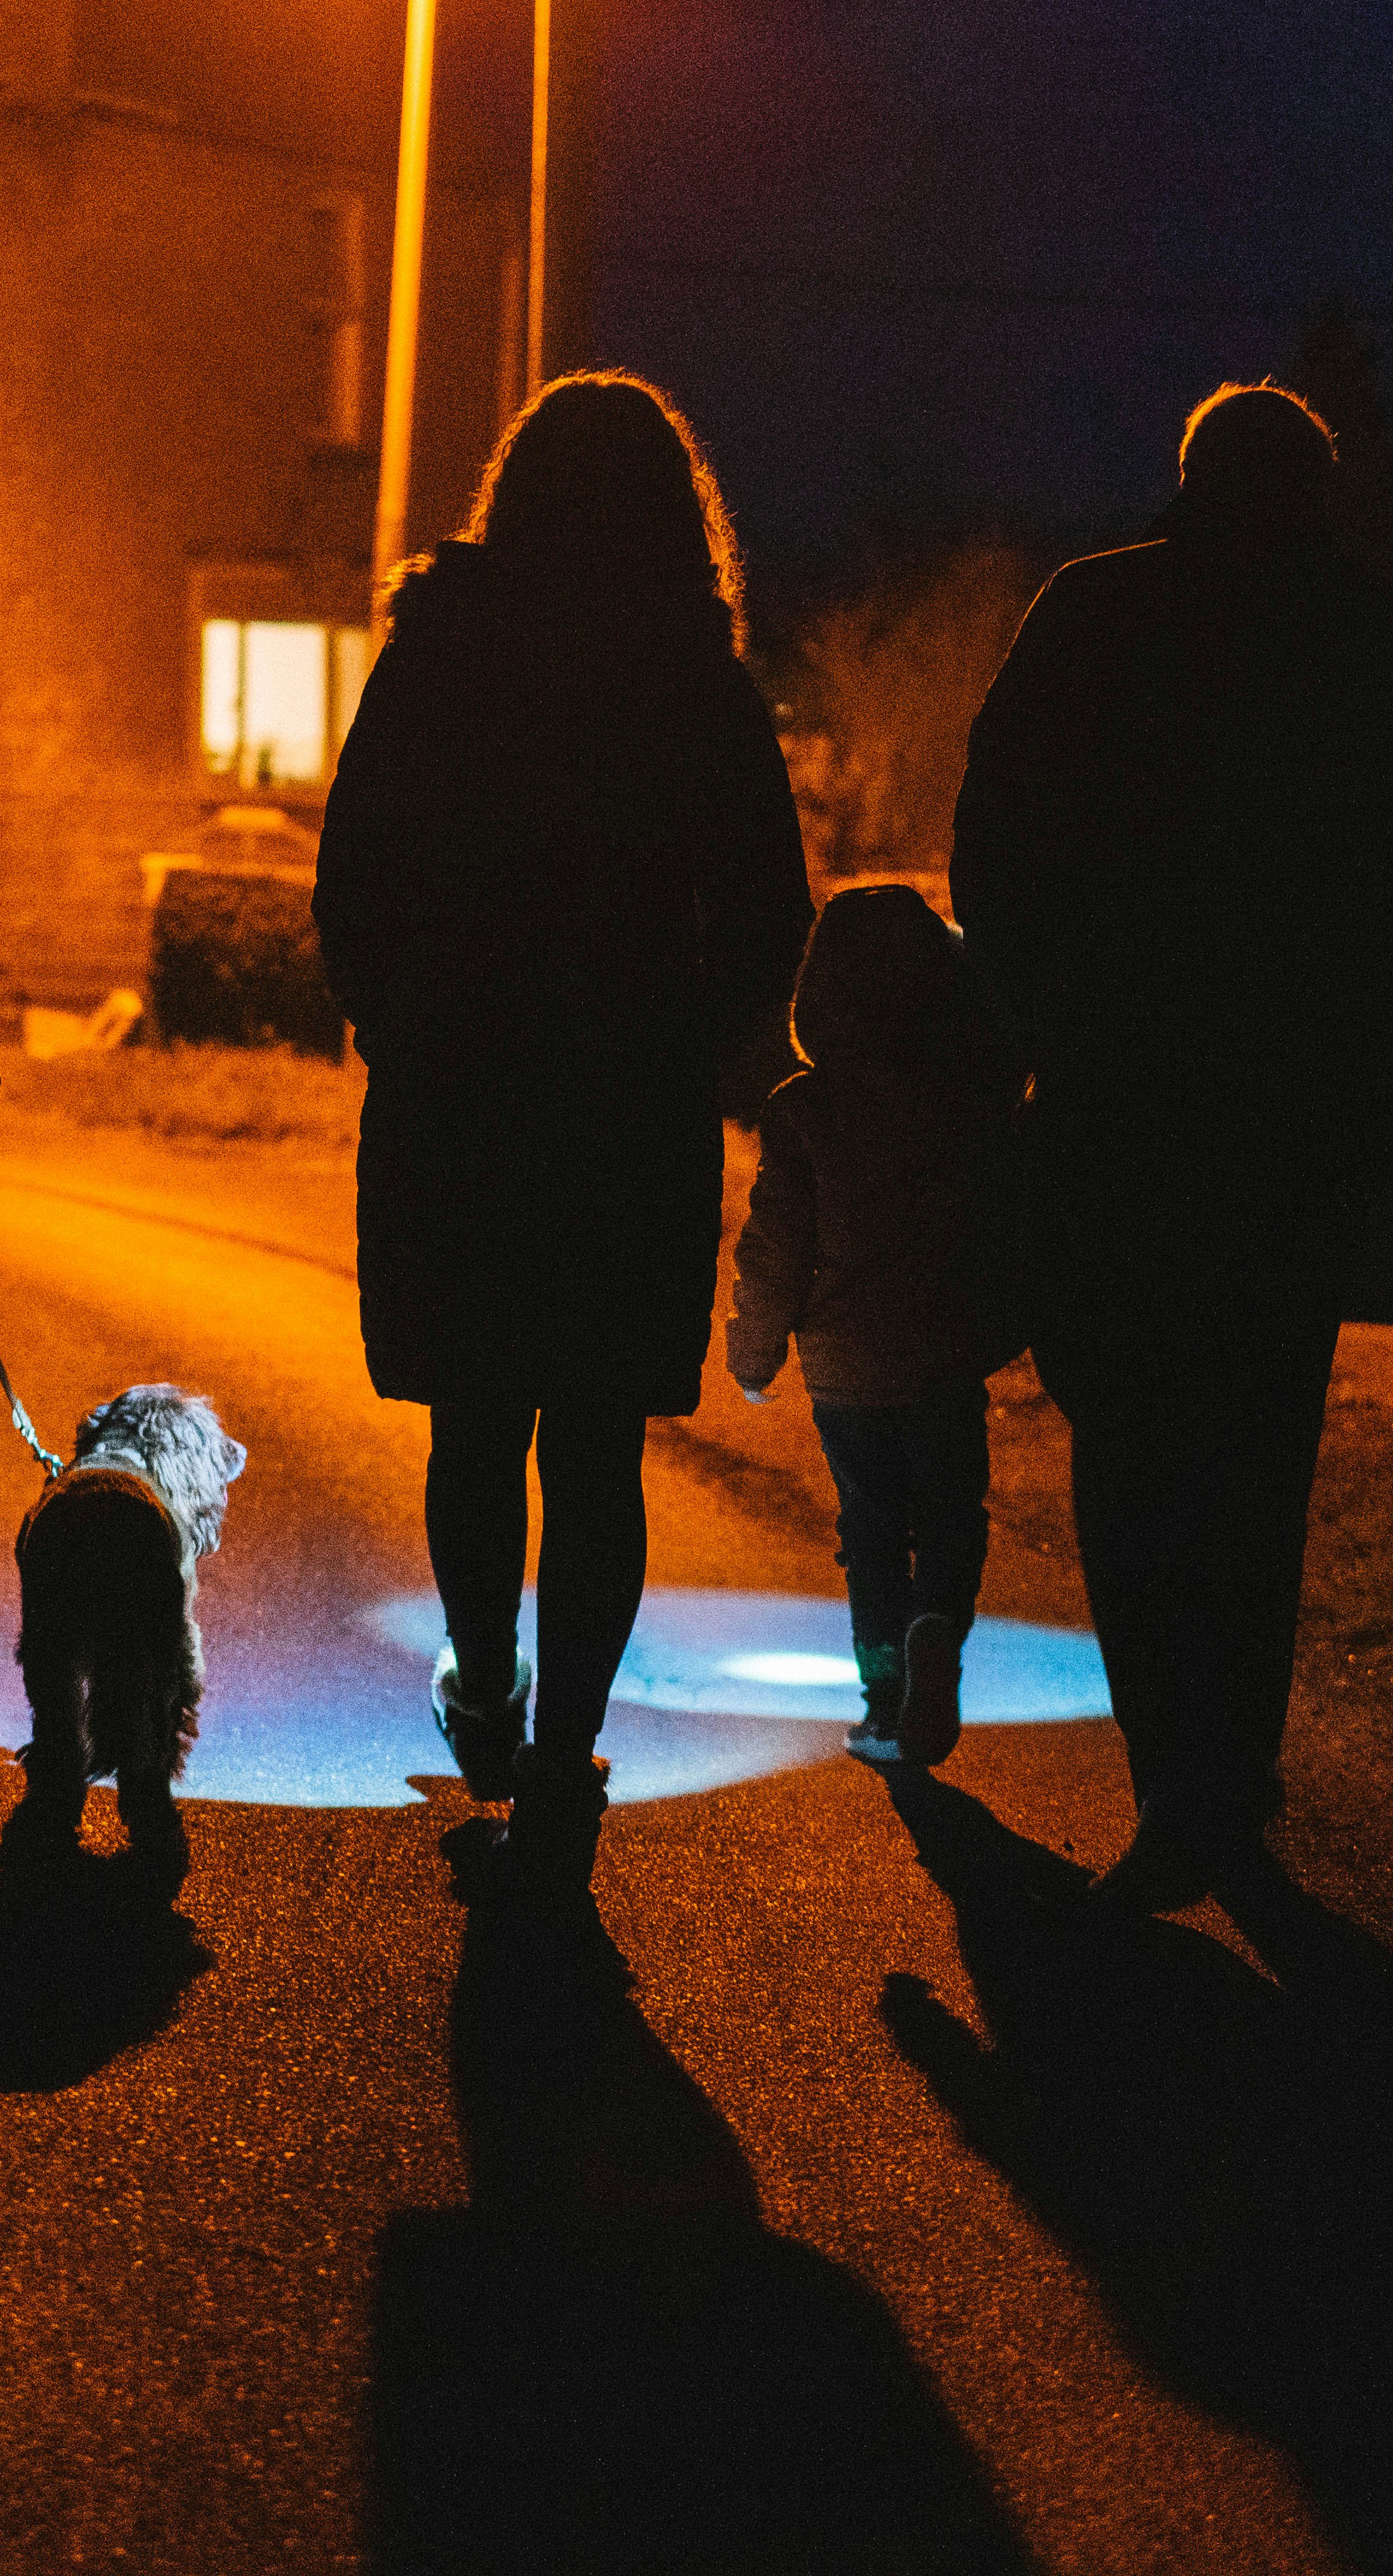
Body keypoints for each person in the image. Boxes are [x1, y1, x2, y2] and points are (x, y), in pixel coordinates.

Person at [951, 381, 1393, 1907]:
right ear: (1316, 491)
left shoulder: (1093, 614)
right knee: (1260, 1446)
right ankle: (1231, 1768)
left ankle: (1174, 1775)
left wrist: (1041, 1019)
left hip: (1118, 1102)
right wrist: (1387, 1044)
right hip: (1303, 1119)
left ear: (1187, 478)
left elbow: (991, 838)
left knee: (1129, 1440)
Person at [312, 373, 815, 1893]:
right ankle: (565, 1753)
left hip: (459, 1088)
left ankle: (482, 1685)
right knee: (597, 1446)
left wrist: (395, 1017)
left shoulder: (436, 652)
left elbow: (353, 864)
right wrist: (703, 1047)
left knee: (475, 1419)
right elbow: (771, 910)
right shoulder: (695, 676)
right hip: (625, 1104)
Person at [723, 882, 1028, 1770]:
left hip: (846, 1369)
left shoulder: (803, 1112)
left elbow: (776, 1245)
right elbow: (1004, 1225)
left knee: (869, 1534)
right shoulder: (970, 1103)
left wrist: (754, 1352)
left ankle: (885, 1697)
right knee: (952, 1512)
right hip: (945, 1354)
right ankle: (939, 1626)